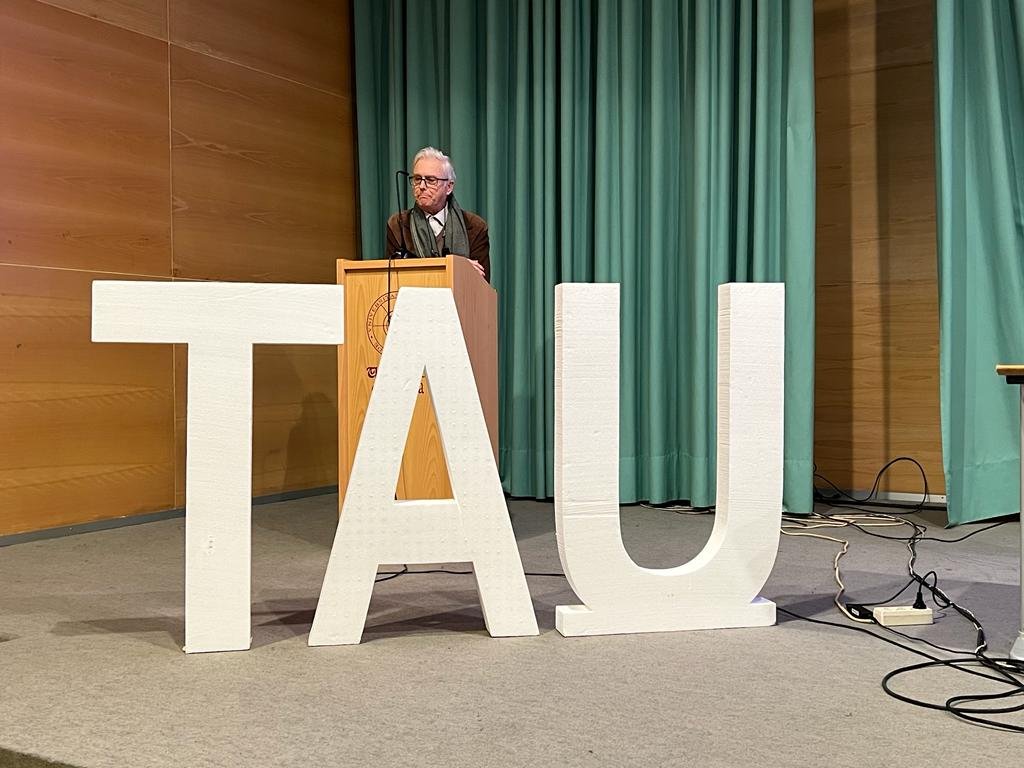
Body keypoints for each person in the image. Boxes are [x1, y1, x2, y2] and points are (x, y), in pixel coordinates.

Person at [386, 147, 490, 282]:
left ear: (449, 187)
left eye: (430, 180)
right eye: (417, 179)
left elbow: (482, 284)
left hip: (461, 302)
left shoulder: (475, 227)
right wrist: (460, 268)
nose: (422, 186)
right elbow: (393, 278)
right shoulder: (398, 224)